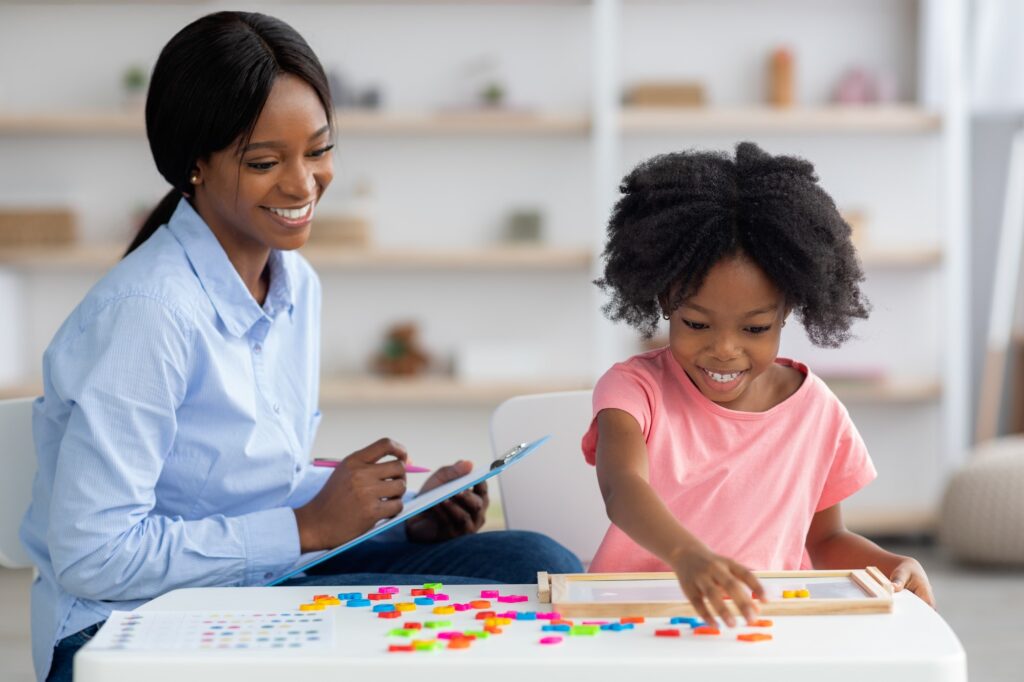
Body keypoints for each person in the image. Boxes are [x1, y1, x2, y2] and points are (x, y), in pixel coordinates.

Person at [20, 12, 580, 682]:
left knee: (530, 564)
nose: (302, 184)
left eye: (318, 151)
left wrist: (403, 512)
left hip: (252, 584)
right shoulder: (149, 314)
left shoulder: (293, 282)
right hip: (129, 624)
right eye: (265, 162)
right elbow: (95, 556)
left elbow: (255, 484)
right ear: (193, 165)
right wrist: (308, 528)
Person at [583, 142, 934, 628]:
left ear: (788, 310)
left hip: (761, 630)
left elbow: (826, 540)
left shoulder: (817, 412)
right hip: (632, 621)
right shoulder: (632, 391)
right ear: (665, 301)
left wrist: (889, 564)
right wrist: (687, 556)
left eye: (754, 329)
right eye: (697, 324)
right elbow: (622, 488)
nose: (724, 350)